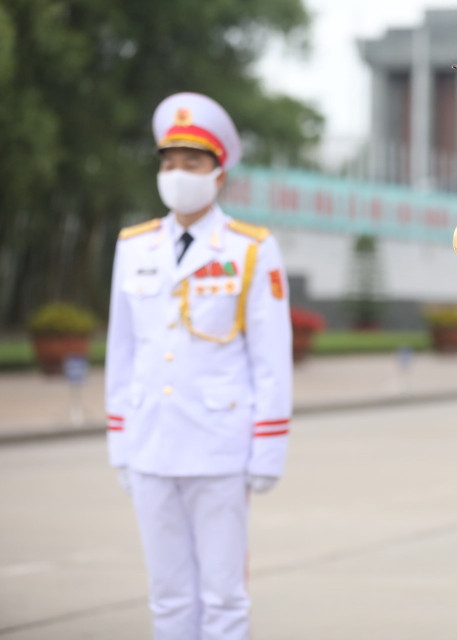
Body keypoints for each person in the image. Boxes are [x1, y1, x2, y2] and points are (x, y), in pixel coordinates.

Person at [104, 92, 293, 640]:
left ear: (218, 173)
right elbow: (122, 350)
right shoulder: (134, 246)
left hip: (219, 446)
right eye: (169, 163)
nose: (177, 174)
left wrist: (268, 446)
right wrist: (120, 437)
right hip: (149, 441)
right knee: (167, 595)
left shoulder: (251, 248)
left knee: (223, 596)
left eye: (192, 162)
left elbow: (270, 357)